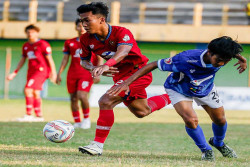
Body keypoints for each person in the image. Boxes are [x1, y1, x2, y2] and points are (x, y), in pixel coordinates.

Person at [108, 36, 247, 161]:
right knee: (191, 119)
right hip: (178, 88)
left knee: (220, 120)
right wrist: (127, 82)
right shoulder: (186, 58)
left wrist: (242, 59)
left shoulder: (222, 54)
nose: (221, 64)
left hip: (205, 88)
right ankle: (206, 150)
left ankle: (218, 143)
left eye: (226, 61)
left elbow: (230, 53)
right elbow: (153, 64)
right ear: (209, 52)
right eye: (220, 60)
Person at [77, 2, 171, 155]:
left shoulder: (121, 32)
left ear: (101, 19)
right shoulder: (86, 39)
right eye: (82, 20)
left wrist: (107, 65)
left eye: (87, 20)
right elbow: (84, 61)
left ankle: (97, 146)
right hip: (120, 77)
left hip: (139, 73)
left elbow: (123, 51)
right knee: (142, 111)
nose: (84, 24)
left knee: (105, 101)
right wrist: (93, 68)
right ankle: (173, 96)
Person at [56, 19, 102, 129]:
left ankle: (86, 119)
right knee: (73, 98)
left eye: (84, 26)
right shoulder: (69, 42)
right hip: (72, 73)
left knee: (82, 95)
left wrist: (98, 72)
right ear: (75, 27)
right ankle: (77, 121)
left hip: (87, 73)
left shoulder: (93, 41)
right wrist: (59, 73)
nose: (81, 28)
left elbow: (100, 58)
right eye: (79, 26)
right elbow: (65, 59)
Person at [7, 24, 57, 122]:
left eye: (33, 32)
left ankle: (28, 114)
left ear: (37, 33)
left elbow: (50, 59)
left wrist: (54, 73)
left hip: (41, 71)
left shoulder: (43, 44)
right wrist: (14, 72)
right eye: (28, 32)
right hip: (31, 72)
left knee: (28, 89)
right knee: (35, 92)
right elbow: (22, 60)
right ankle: (39, 116)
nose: (30, 34)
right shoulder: (26, 46)